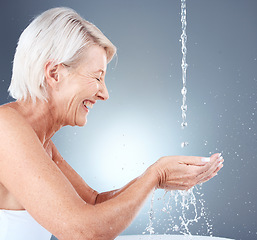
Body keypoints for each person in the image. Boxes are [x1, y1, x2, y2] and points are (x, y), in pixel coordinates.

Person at [0, 7, 224, 240]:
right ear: (55, 73)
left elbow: (94, 203)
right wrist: (155, 175)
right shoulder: (5, 128)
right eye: (97, 77)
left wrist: (158, 179)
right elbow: (84, 233)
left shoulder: (41, 142)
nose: (105, 94)